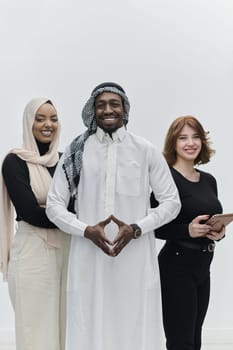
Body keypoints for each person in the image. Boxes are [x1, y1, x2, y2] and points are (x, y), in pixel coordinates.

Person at [46, 82, 181, 350]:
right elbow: (54, 205)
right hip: (88, 257)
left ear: (125, 110)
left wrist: (137, 228)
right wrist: (85, 229)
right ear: (93, 110)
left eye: (114, 104)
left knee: (135, 325)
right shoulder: (77, 151)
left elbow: (171, 202)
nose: (108, 110)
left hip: (135, 258)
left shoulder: (145, 150)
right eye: (101, 105)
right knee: (88, 326)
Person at [0, 98, 70, 350]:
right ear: (28, 123)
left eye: (53, 118)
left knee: (66, 326)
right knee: (35, 329)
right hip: (32, 254)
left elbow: (79, 206)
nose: (47, 124)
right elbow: (30, 212)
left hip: (67, 252)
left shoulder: (65, 162)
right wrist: (65, 213)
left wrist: (57, 211)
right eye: (40, 118)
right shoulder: (14, 162)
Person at [151, 116, 225, 350]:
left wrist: (218, 233)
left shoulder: (209, 180)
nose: (190, 143)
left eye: (195, 137)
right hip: (176, 265)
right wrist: (187, 230)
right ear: (173, 143)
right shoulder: (166, 179)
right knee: (181, 341)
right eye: (183, 138)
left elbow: (210, 219)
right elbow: (155, 227)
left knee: (195, 339)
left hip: (203, 264)